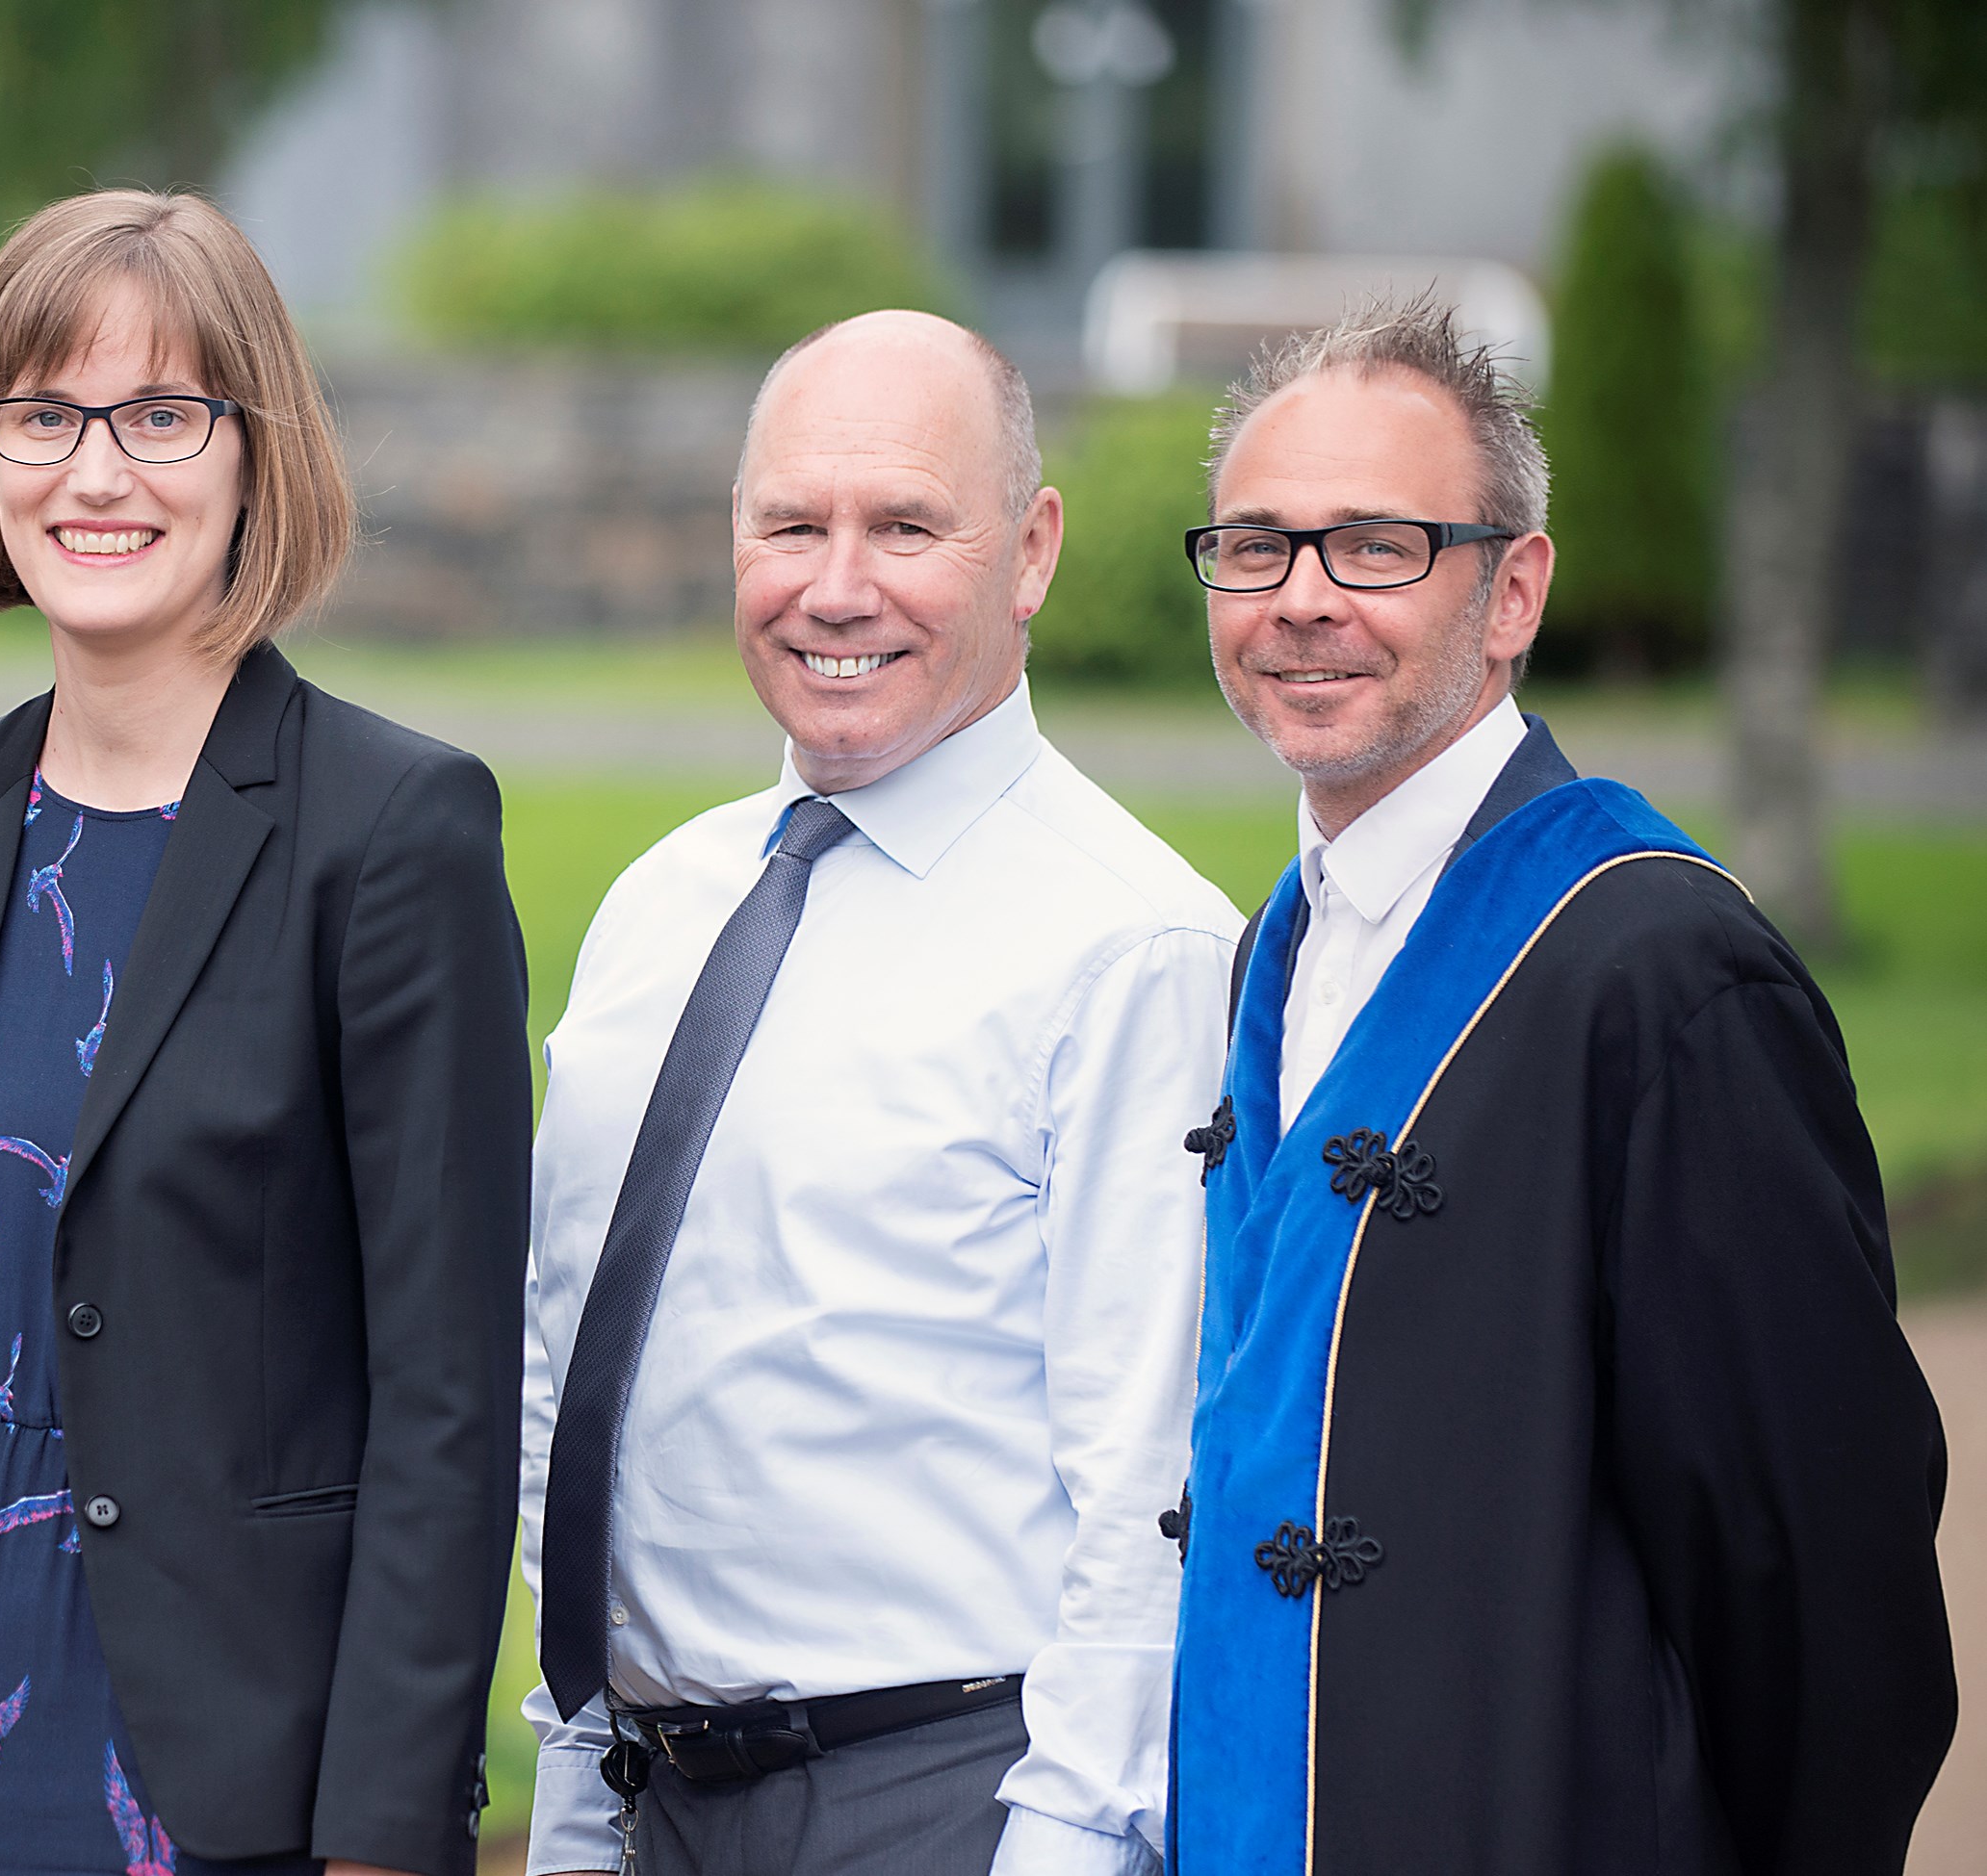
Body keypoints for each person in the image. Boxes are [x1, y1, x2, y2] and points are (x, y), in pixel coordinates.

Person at [0, 190, 533, 1876]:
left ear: (253, 452)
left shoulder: (393, 829)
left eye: (162, 415)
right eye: (43, 415)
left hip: (221, 1758)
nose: (96, 474)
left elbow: (447, 1401)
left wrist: (383, 1836)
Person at [1168, 297, 1952, 1874]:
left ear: (1510, 588)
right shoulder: (1267, 949)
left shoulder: (1658, 970)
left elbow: (1815, 1579)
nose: (1301, 600)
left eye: (1376, 546)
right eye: (1254, 547)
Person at [518, 310, 1236, 1876]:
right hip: (647, 1793)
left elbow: (1149, 1492)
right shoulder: (661, 902)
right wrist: (579, 1770)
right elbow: (570, 1359)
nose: (833, 586)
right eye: (790, 523)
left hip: (943, 1801)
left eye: (905, 525)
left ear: (1030, 549)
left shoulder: (1132, 945)